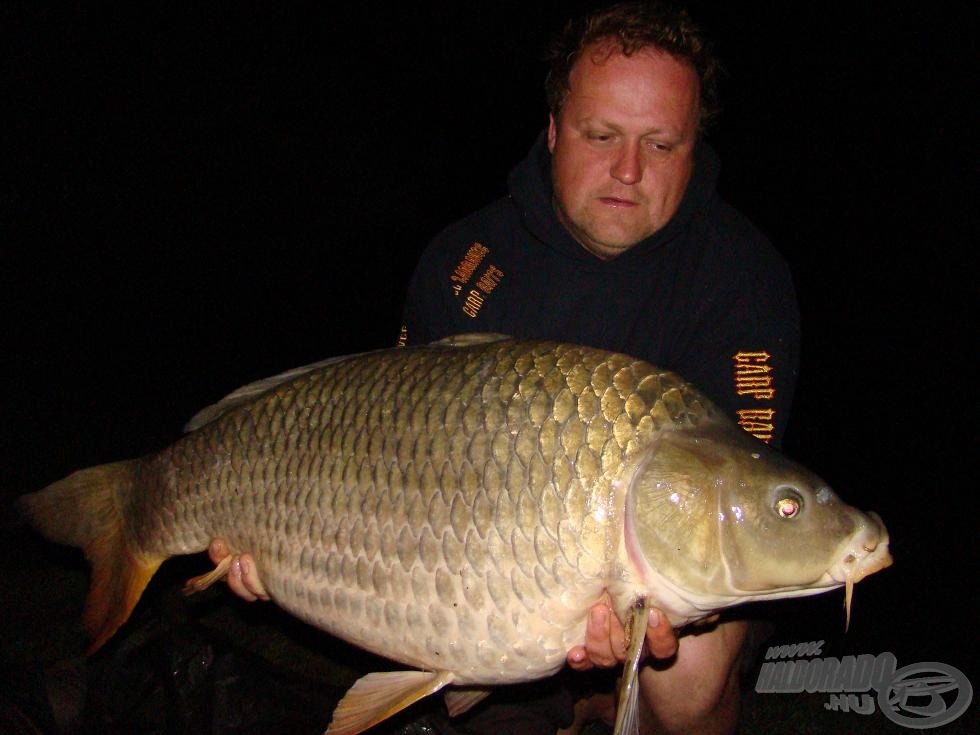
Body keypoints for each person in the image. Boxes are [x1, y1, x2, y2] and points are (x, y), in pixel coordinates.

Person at [213, 2, 799, 732]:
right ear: (553, 131)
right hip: (476, 558)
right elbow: (386, 458)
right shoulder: (467, 262)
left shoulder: (741, 282)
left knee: (692, 666)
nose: (627, 169)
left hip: (630, 563)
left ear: (694, 149)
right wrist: (280, 539)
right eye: (601, 135)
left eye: (661, 144)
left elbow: (725, 499)